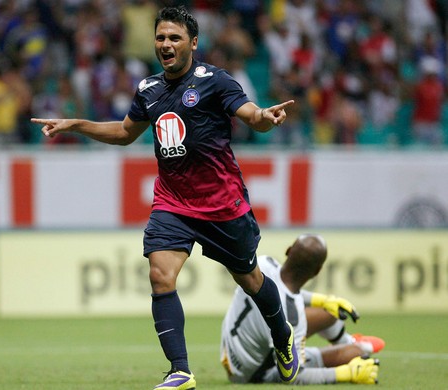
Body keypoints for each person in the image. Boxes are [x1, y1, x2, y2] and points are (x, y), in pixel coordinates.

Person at [31, 6, 297, 389]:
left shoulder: (215, 81)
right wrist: (77, 125)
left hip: (221, 204)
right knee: (160, 276)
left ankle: (282, 336)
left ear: (192, 43)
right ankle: (180, 370)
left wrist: (263, 119)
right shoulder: (148, 90)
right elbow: (125, 133)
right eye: (160, 38)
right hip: (172, 202)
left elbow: (249, 113)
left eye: (174, 38)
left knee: (251, 279)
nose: (166, 44)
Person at [221, 234, 384, 385]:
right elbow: (293, 375)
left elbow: (279, 290)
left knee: (343, 334)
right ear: (317, 271)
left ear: (288, 251)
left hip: (230, 351)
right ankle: (350, 343)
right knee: (353, 351)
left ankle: (351, 343)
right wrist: (346, 374)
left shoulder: (263, 264)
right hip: (250, 374)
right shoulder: (293, 319)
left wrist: (322, 300)